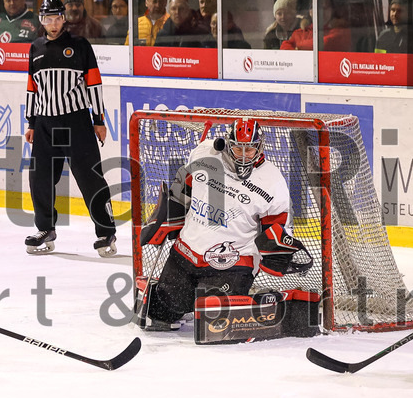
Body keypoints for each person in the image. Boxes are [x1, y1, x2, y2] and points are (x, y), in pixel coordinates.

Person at [134, 119, 317, 341]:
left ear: (260, 147)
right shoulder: (205, 153)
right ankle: (183, 301)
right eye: (237, 147)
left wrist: (278, 249)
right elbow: (184, 187)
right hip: (186, 253)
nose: (242, 154)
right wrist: (167, 215)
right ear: (227, 143)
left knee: (215, 323)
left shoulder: (273, 181)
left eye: (249, 149)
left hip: (232, 263)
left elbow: (275, 228)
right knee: (161, 313)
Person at [23, 0, 117, 257]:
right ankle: (45, 228)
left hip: (76, 121)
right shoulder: (35, 48)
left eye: (56, 18)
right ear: (41, 21)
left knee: (90, 178)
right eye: (47, 19)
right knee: (39, 178)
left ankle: (105, 231)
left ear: (64, 18)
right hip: (44, 123)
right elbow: (32, 87)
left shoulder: (80, 45)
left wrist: (98, 120)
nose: (53, 24)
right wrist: (31, 122)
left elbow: (94, 84)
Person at [280, 0, 351, 51]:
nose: (321, 12)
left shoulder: (341, 30)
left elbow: (324, 44)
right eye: (318, 8)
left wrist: (298, 48)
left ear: (332, 11)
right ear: (310, 12)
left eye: (325, 8)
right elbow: (284, 46)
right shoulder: (300, 32)